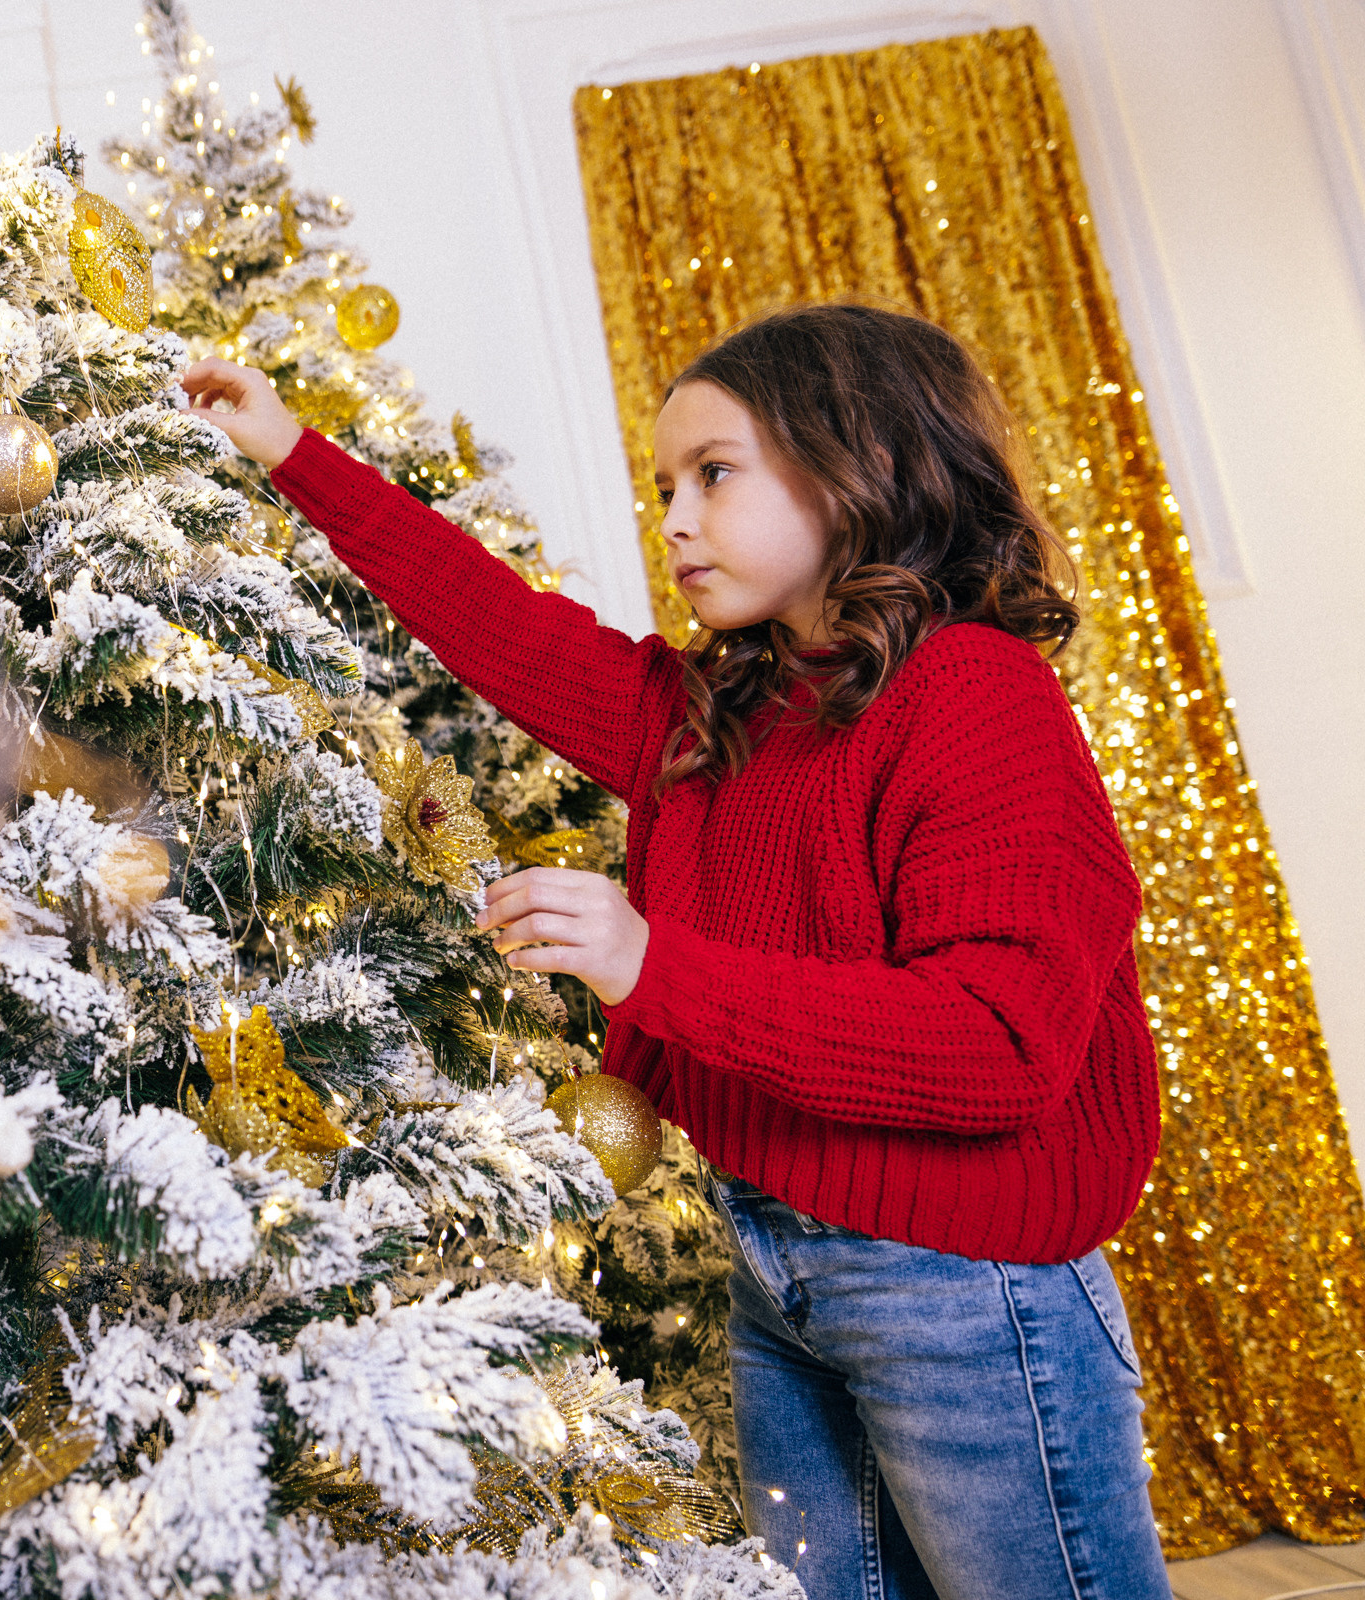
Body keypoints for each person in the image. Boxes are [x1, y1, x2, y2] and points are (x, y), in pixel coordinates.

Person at [182, 303, 1171, 1599]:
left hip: (962, 1293)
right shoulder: (723, 709)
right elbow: (504, 629)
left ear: (856, 463)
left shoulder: (975, 694)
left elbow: (1000, 1045)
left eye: (714, 475)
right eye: (663, 489)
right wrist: (294, 450)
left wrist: (656, 970)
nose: (677, 521)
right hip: (773, 1263)